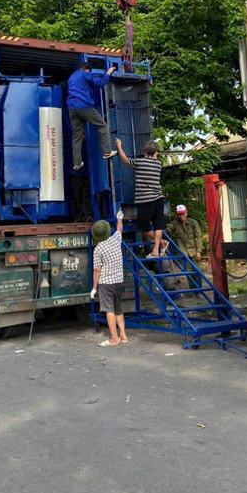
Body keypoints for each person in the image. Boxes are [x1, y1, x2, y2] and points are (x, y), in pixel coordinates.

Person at [115, 137, 164, 258]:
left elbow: (124, 159)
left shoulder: (139, 162)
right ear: (155, 152)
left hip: (145, 200)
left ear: (144, 151)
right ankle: (156, 249)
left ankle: (161, 244)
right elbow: (154, 156)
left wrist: (119, 145)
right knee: (158, 224)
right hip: (159, 198)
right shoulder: (158, 164)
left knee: (143, 226)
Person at [67, 62, 117, 170]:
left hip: (72, 108)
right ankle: (107, 151)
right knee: (102, 126)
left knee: (77, 137)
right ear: (87, 69)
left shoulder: (72, 77)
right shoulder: (85, 74)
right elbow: (100, 83)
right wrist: (108, 73)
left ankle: (77, 162)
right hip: (83, 106)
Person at [90, 209, 128, 347]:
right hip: (119, 280)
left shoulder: (98, 249)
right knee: (118, 309)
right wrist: (119, 217)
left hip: (106, 283)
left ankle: (114, 338)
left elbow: (97, 269)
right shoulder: (115, 239)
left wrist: (94, 288)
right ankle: (123, 335)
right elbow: (119, 229)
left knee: (109, 310)